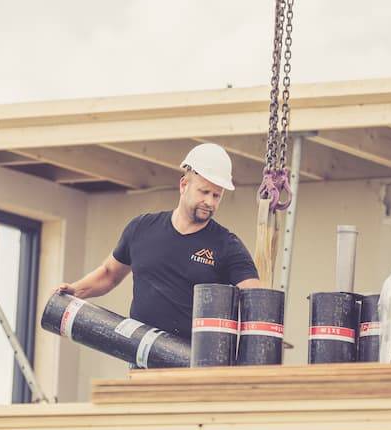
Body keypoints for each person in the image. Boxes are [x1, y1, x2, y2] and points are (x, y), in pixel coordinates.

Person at [56, 142, 261, 339]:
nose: (210, 202)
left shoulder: (226, 245)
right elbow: (109, 274)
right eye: (204, 192)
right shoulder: (142, 228)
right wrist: (75, 291)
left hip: (195, 365)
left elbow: (257, 300)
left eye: (217, 196)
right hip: (141, 358)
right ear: (184, 185)